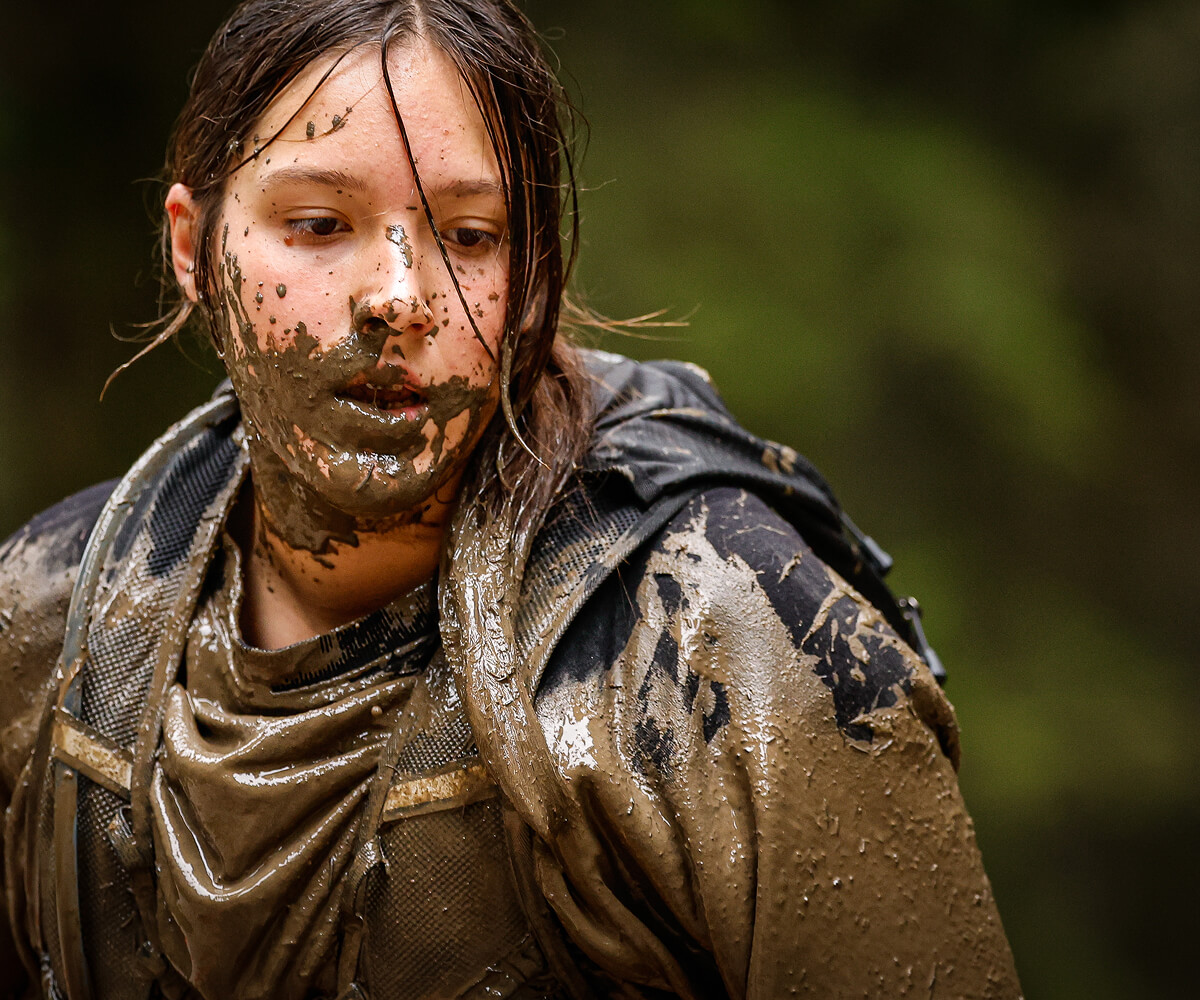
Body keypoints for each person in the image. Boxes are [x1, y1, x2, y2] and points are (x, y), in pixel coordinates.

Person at [0, 1, 1023, 997]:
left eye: (470, 234)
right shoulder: (53, 628)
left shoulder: (728, 655)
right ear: (193, 248)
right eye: (318, 222)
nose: (399, 294)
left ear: (531, 274)